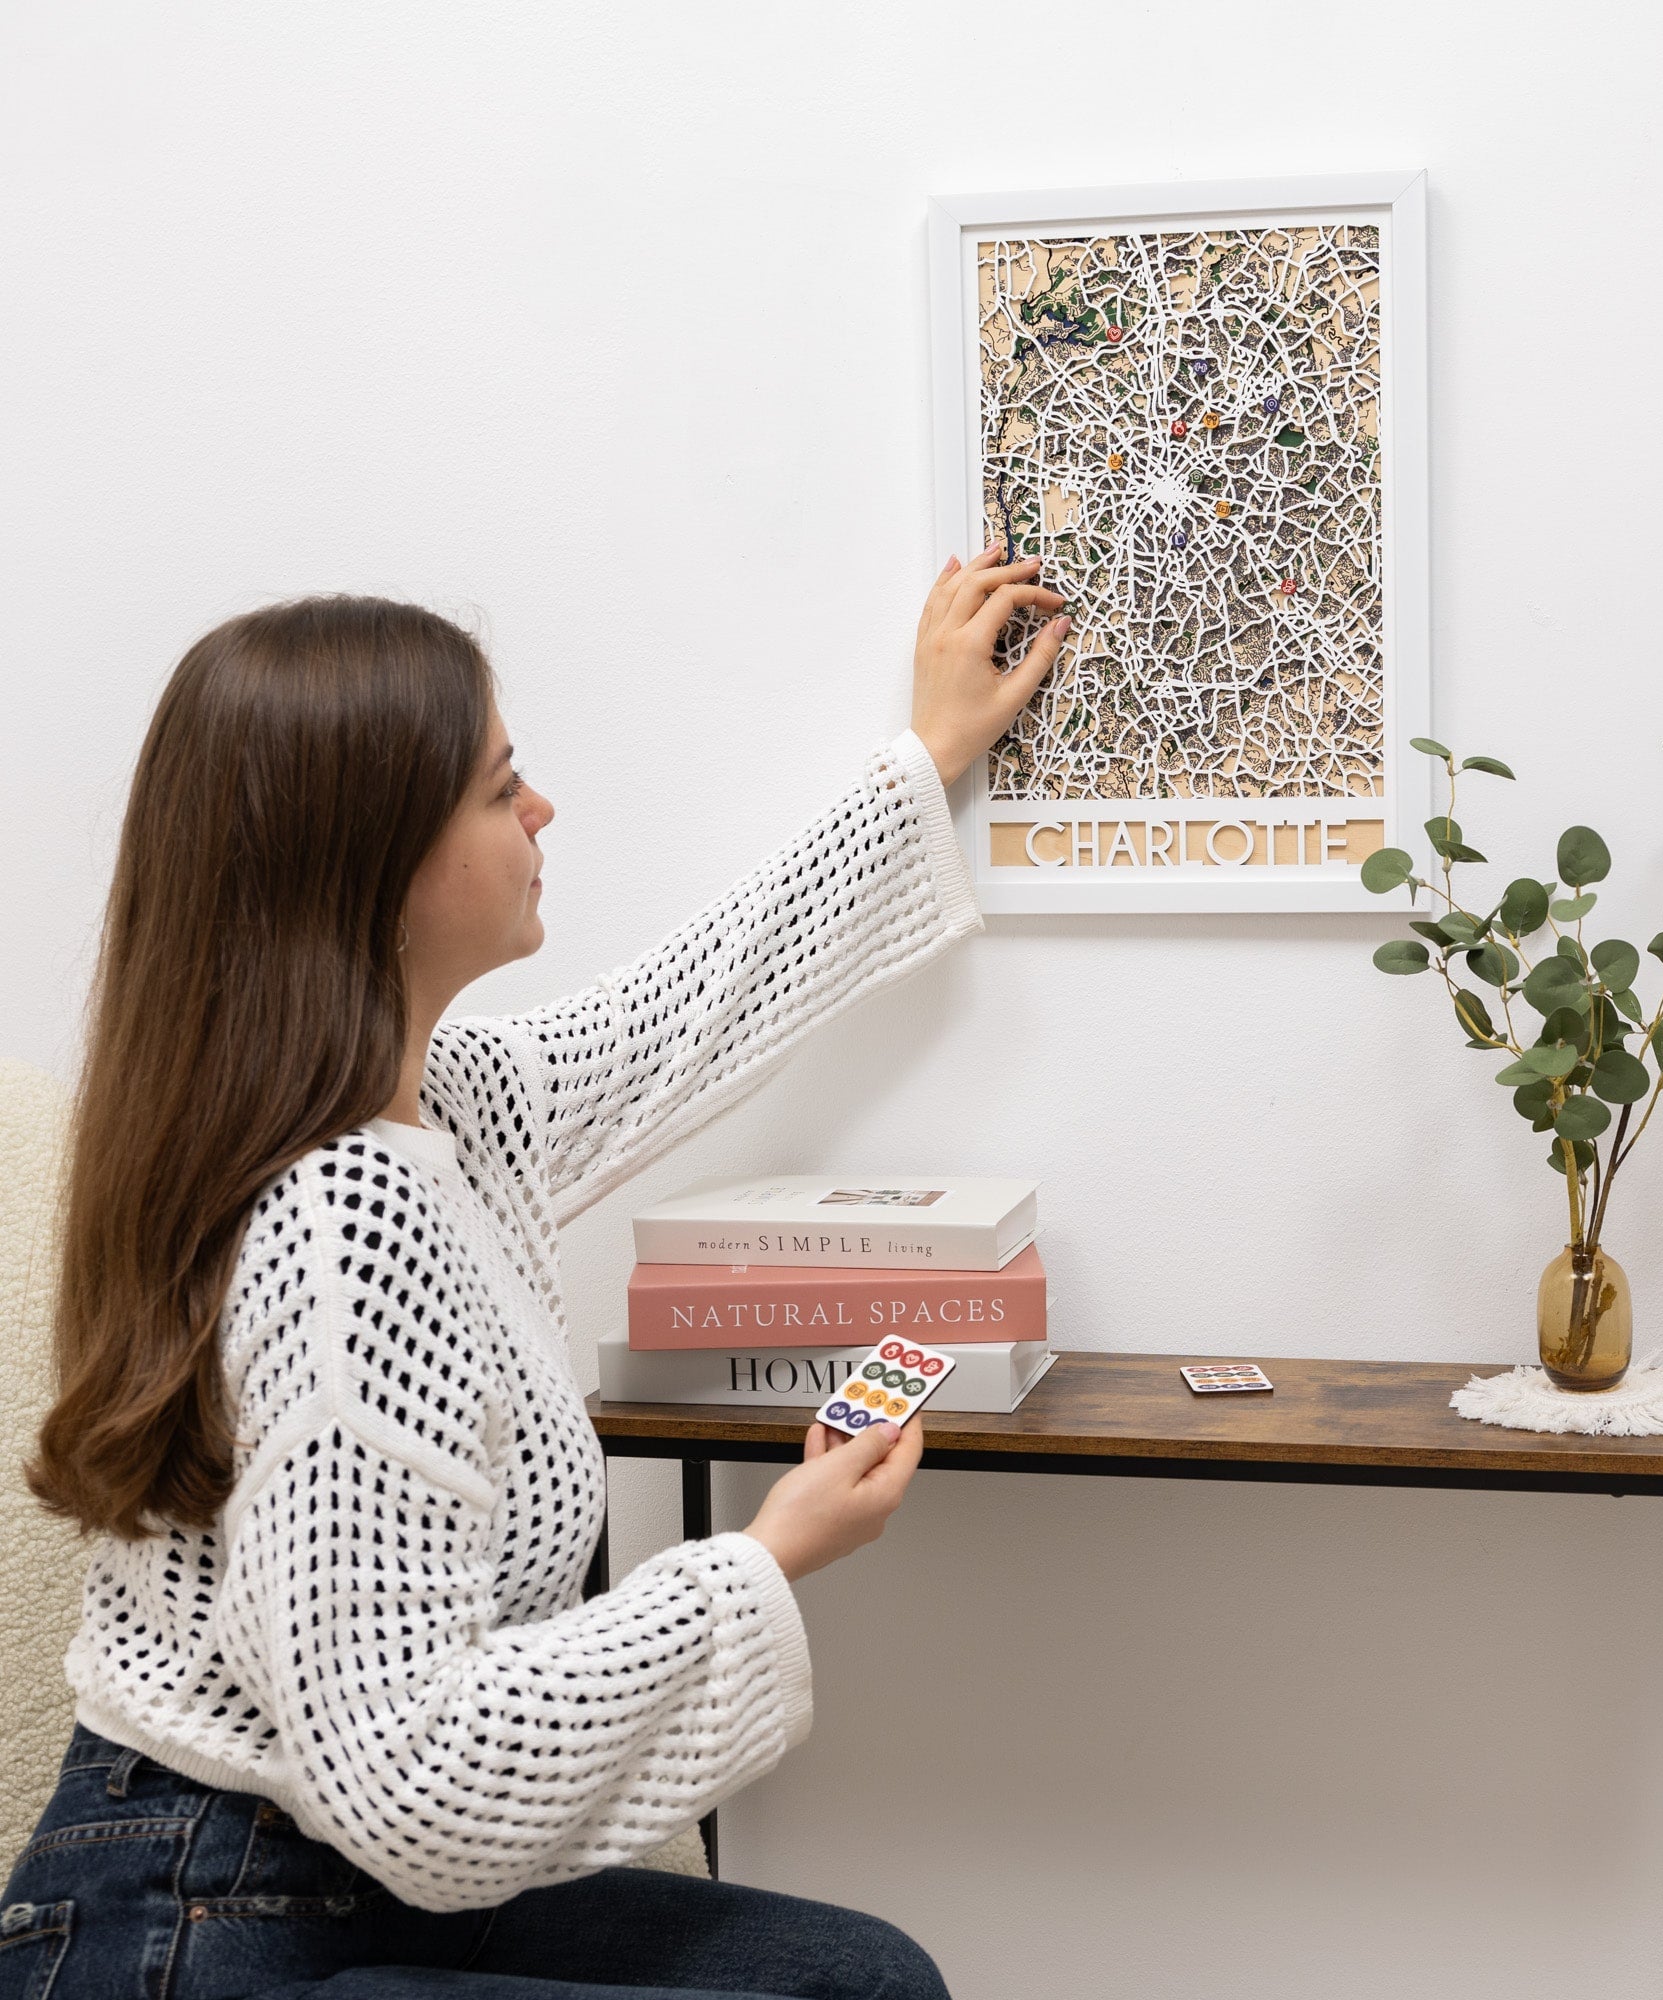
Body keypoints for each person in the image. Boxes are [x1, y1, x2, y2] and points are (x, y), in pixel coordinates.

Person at [5, 547, 1068, 2000]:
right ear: (376, 863)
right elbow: (415, 1772)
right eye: (502, 787)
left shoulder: (449, 1109)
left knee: (854, 1979)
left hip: (336, 1881)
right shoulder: (341, 1229)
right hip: (207, 1917)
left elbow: (698, 1002)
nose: (541, 808)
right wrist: (769, 1555)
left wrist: (931, 749)